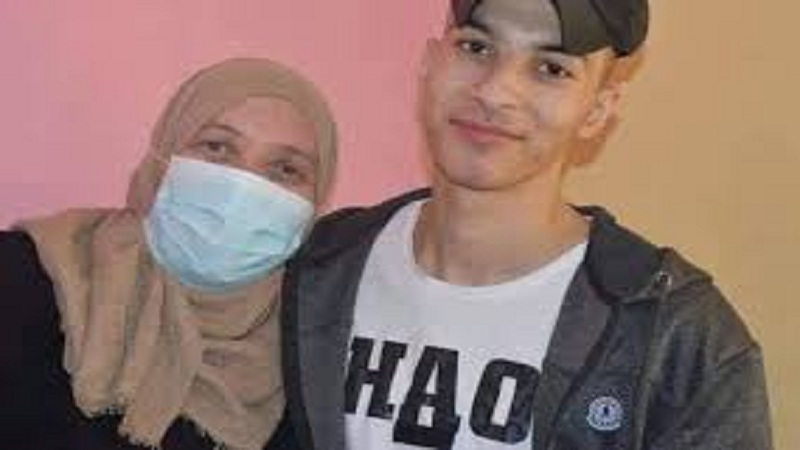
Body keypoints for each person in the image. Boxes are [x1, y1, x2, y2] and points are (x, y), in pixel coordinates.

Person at [277, 0, 773, 449]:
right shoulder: (315, 270)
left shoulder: (674, 333)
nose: (495, 92)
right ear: (429, 63)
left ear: (597, 110)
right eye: (476, 47)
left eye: (551, 69)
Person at [0, 58, 337, 450]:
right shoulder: (22, 279)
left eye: (285, 169)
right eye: (217, 147)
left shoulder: (313, 362)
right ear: (162, 159)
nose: (243, 185)